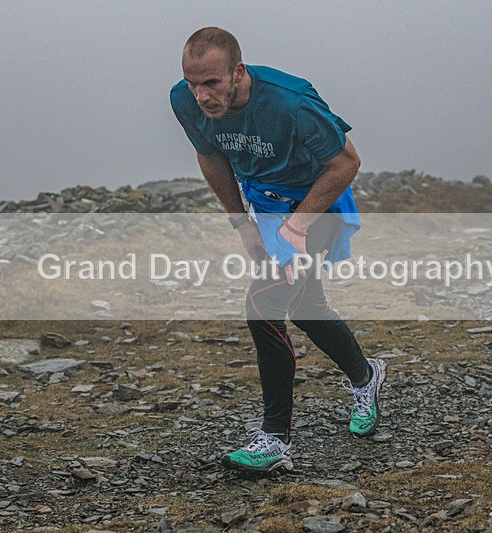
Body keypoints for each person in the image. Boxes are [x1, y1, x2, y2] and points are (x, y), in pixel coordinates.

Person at [170, 27, 385, 474]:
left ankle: (274, 441)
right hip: (265, 206)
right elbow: (211, 156)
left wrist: (297, 226)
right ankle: (366, 376)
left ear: (238, 72)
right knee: (306, 307)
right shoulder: (185, 101)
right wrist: (241, 223)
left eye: (211, 83)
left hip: (316, 204)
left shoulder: (292, 103)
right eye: (192, 84)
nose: (201, 96)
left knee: (263, 306)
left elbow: (346, 163)